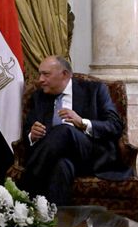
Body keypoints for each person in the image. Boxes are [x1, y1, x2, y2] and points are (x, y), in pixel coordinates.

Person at [18, 55, 129, 205]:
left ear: (64, 74)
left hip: (91, 153)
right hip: (55, 157)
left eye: (46, 74)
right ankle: (55, 222)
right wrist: (33, 134)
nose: (40, 79)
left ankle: (23, 190)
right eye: (40, 74)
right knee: (61, 167)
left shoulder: (94, 90)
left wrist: (82, 122)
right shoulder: (39, 97)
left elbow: (115, 126)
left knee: (65, 131)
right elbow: (27, 133)